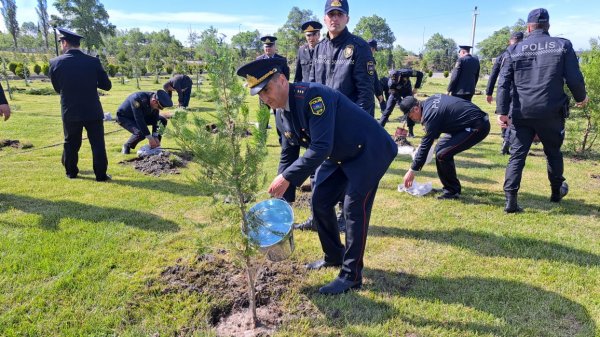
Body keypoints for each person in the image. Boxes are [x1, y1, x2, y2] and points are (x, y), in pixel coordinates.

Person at [237, 58, 396, 295]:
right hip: (340, 154)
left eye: (266, 90)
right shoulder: (280, 115)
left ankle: (351, 275)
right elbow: (288, 153)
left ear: (281, 80)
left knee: (354, 208)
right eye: (259, 94)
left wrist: (288, 177)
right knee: (319, 200)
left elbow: (321, 147)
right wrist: (283, 197)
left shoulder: (312, 97)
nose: (264, 98)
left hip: (369, 150)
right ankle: (334, 255)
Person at [496, 8, 588, 213]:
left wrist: (501, 111)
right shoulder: (563, 45)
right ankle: (556, 192)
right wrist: (581, 97)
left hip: (521, 111)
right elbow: (574, 77)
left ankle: (511, 200)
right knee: (553, 152)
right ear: (548, 26)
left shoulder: (515, 49)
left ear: (529, 27)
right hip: (551, 111)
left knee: (517, 155)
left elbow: (503, 83)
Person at [49, 28, 112, 181]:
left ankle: (71, 172)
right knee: (97, 144)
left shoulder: (55, 62)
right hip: (92, 110)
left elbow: (57, 88)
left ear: (64, 43)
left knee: (70, 143)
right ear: (78, 44)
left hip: (70, 110)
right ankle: (101, 175)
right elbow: (107, 86)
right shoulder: (93, 61)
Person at [401, 94, 490, 199]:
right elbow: (442, 119)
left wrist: (412, 170)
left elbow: (426, 145)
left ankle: (452, 191)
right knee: (440, 149)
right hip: (467, 123)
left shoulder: (430, 114)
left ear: (415, 109)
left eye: (411, 116)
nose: (413, 120)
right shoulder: (430, 101)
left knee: (443, 154)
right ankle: (449, 187)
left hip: (477, 126)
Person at [310, 0, 375, 116]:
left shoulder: (360, 47)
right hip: (322, 120)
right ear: (324, 19)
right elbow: (312, 87)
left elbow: (365, 95)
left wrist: (355, 123)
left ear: (347, 19)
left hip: (347, 120)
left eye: (340, 14)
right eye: (331, 14)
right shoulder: (319, 48)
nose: (335, 18)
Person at [486, 31, 524, 155]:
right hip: (518, 90)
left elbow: (493, 75)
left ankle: (505, 138)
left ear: (510, 41)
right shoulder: (524, 54)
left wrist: (489, 92)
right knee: (511, 115)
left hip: (504, 89)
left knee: (504, 113)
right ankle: (508, 139)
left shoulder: (503, 56)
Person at [116, 90, 173, 154]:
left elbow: (155, 118)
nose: (158, 109)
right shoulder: (137, 99)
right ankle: (127, 145)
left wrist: (155, 136)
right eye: (158, 107)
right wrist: (150, 138)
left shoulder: (156, 99)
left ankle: (155, 146)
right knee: (141, 133)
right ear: (154, 101)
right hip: (124, 117)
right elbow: (139, 119)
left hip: (142, 116)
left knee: (162, 120)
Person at [378, 69, 424, 135]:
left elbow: (420, 74)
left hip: (407, 91)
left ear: (400, 75)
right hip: (396, 93)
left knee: (410, 109)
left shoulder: (407, 72)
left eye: (397, 79)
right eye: (395, 81)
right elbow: (395, 96)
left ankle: (411, 132)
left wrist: (416, 87)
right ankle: (379, 128)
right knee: (387, 110)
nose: (396, 81)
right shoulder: (390, 84)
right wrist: (401, 105)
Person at [367, 39, 386, 112]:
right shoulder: (370, 59)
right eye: (374, 50)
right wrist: (379, 93)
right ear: (372, 48)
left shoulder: (356, 56)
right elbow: (373, 76)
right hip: (367, 91)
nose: (374, 52)